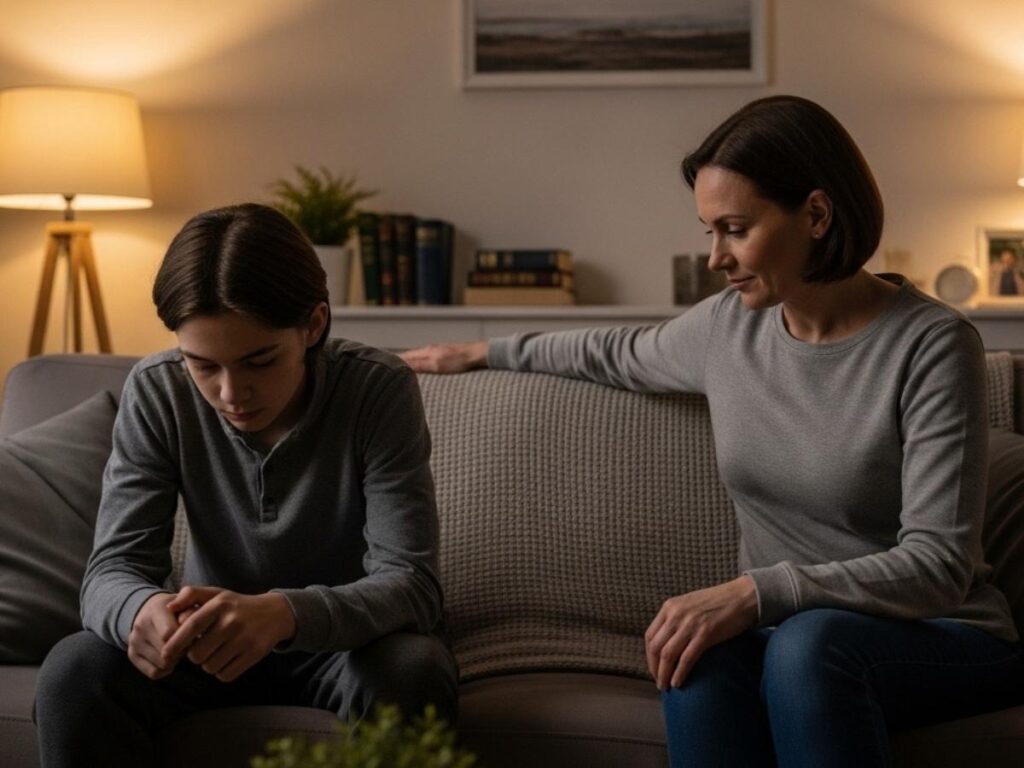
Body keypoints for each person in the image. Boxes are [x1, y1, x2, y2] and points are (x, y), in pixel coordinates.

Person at [400, 96, 1024, 767]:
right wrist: (481, 351)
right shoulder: (729, 328)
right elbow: (611, 351)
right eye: (709, 232)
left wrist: (758, 591)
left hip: (939, 636)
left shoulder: (931, 344)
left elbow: (937, 566)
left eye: (734, 229)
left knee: (807, 648)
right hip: (792, 638)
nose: (715, 259)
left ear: (816, 214)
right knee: (698, 656)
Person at [34, 203, 457, 767]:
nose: (232, 393)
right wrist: (141, 609)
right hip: (203, 649)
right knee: (74, 669)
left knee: (412, 669)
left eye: (259, 361)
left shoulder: (378, 390)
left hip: (345, 647)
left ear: (314, 325)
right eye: (203, 365)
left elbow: (412, 584)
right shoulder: (158, 391)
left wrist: (283, 612)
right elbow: (110, 572)